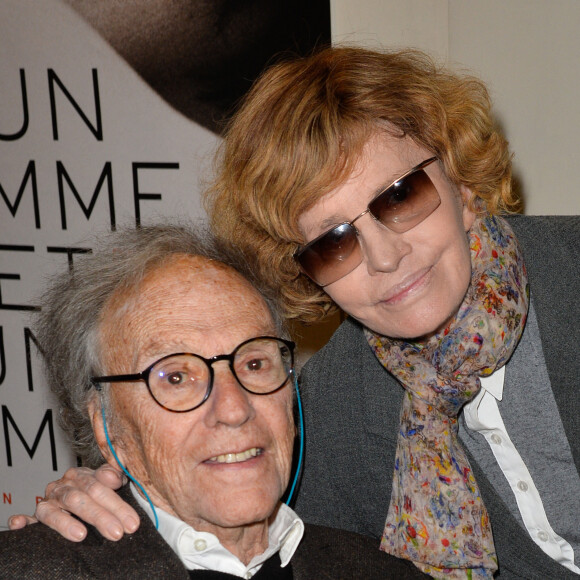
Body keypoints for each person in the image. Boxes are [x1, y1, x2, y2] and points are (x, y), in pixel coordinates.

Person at [10, 47, 580, 578]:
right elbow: (227, 512)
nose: (385, 258)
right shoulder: (329, 405)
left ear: (460, 181)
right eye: (333, 243)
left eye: (401, 196)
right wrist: (104, 494)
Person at [0, 224, 427, 579]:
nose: (234, 409)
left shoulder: (384, 569)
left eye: (255, 363)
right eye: (177, 377)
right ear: (106, 424)